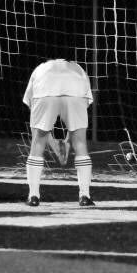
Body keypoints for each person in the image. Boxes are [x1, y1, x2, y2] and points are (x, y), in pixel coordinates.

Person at [23, 58, 95, 207]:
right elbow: (76, 127)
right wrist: (68, 142)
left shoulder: (39, 69)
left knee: (37, 143)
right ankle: (85, 197)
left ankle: (33, 196)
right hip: (76, 87)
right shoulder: (79, 69)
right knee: (80, 143)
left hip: (44, 86)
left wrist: (53, 144)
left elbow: (36, 119)